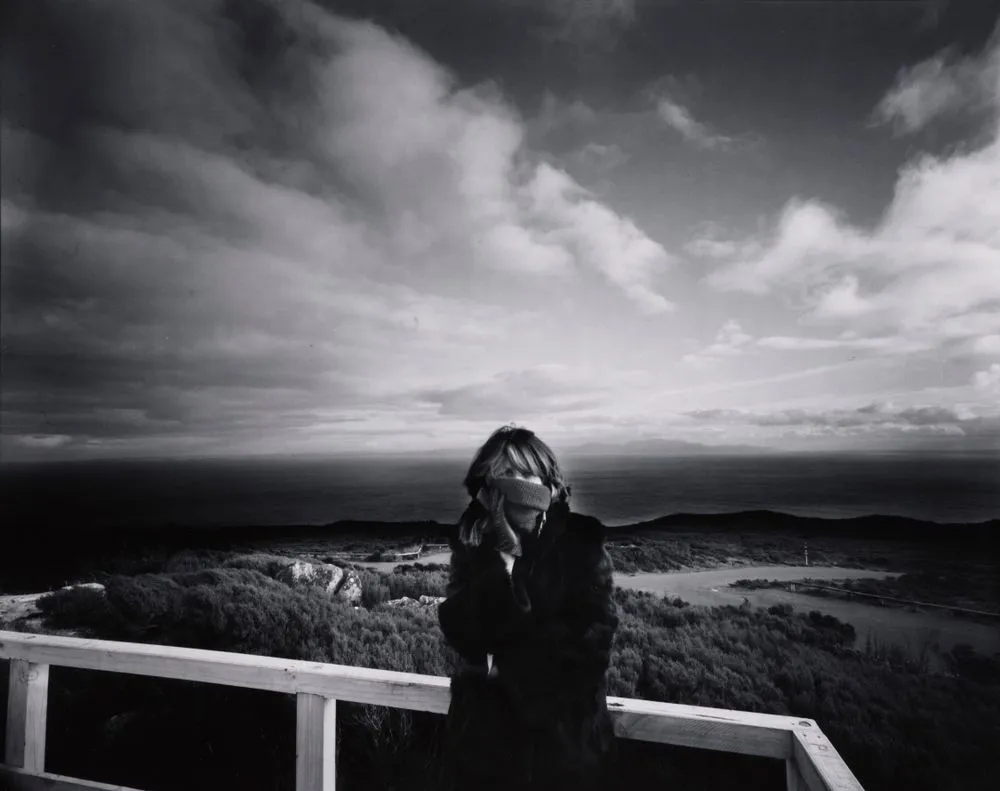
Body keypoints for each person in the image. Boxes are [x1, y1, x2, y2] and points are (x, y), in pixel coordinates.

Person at [438, 425, 619, 791]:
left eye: (525, 473)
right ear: (488, 488)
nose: (516, 483)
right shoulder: (473, 544)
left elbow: (592, 644)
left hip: (565, 752)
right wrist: (501, 565)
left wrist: (501, 663)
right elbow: (459, 629)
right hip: (482, 754)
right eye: (504, 475)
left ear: (548, 481)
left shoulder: (581, 545)